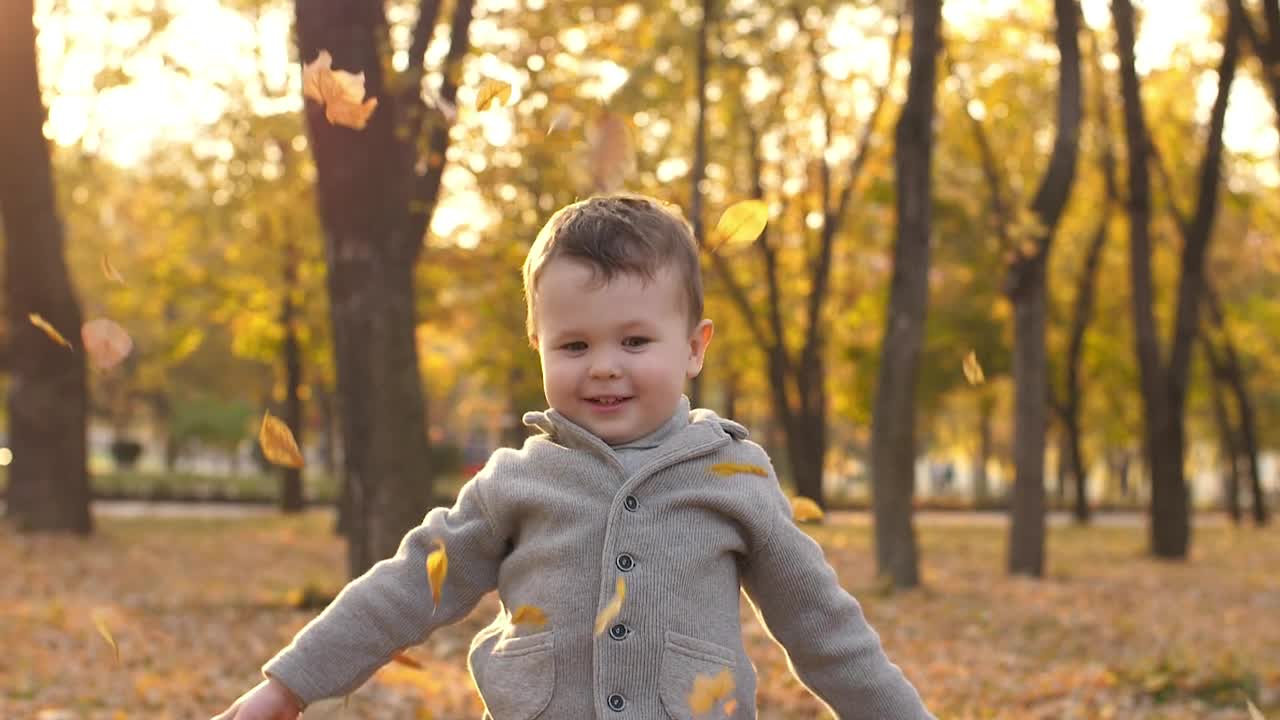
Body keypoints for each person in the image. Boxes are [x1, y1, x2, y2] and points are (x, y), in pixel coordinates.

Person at [212, 194, 934, 719]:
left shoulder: (733, 476)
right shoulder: (516, 484)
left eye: (635, 341)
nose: (605, 368)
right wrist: (289, 685)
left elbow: (825, 629)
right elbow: (406, 587)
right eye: (575, 345)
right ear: (539, 346)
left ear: (693, 347)